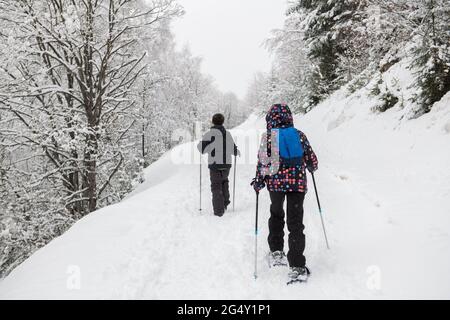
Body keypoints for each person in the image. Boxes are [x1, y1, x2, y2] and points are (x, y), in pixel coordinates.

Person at [251, 104, 318, 284]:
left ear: (270, 118)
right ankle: (297, 266)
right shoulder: (299, 135)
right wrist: (310, 166)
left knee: (276, 214)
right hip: (297, 185)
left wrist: (258, 182)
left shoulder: (269, 138)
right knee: (295, 222)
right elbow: (312, 160)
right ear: (289, 116)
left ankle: (277, 252)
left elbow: (263, 165)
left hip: (276, 185)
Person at [198, 113, 240, 217]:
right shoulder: (227, 134)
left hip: (214, 165)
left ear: (212, 121)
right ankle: (225, 203)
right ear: (223, 122)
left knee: (216, 186)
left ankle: (218, 210)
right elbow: (234, 150)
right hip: (226, 164)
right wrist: (235, 151)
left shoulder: (209, 134)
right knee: (224, 181)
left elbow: (201, 149)